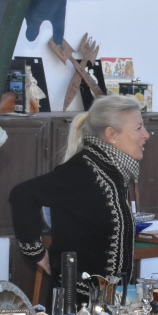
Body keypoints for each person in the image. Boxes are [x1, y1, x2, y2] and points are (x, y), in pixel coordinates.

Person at [10, 94, 149, 285]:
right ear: (112, 134)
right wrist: (36, 253)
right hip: (78, 305)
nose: (146, 134)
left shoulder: (113, 169)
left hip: (108, 303)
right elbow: (22, 195)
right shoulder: (80, 171)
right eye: (139, 128)